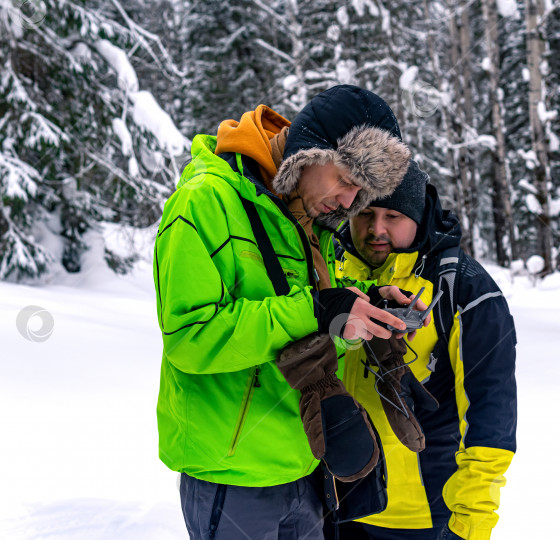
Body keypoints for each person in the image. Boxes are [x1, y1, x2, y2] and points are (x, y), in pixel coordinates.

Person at [153, 85, 422, 540]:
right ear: (310, 151)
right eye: (347, 179)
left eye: (361, 190)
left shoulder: (302, 215)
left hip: (305, 464)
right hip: (234, 474)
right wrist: (318, 311)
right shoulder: (204, 202)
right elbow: (191, 338)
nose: (348, 200)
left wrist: (364, 306)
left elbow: (304, 315)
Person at [334, 160, 518, 540]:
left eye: (393, 215)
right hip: (333, 506)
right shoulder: (326, 271)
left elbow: (491, 415)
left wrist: (470, 521)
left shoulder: (462, 289)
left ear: (419, 217)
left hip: (425, 518)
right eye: (365, 212)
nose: (376, 229)